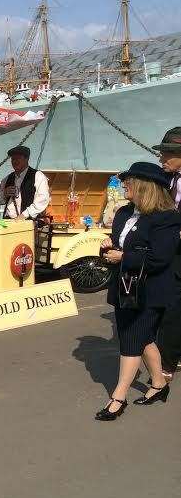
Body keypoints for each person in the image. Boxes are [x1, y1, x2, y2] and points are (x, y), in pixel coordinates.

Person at [95, 162, 181, 420]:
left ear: (144, 186)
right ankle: (159, 385)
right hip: (125, 288)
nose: (123, 185)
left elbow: (159, 259)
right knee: (142, 339)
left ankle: (118, 398)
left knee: (131, 340)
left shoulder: (167, 218)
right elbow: (121, 244)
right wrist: (108, 246)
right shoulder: (123, 213)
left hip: (151, 291)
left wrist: (123, 257)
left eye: (128, 181)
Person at [153, 127, 181, 381]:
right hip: (172, 250)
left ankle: (167, 364)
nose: (161, 159)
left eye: (166, 155)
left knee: (173, 309)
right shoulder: (170, 179)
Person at [0, 145, 51, 220]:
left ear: (27, 159)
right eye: (13, 159)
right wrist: (4, 193)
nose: (15, 161)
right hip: (8, 221)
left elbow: (42, 199)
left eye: (18, 158)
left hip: (27, 222)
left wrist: (24, 215)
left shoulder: (37, 176)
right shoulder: (7, 179)